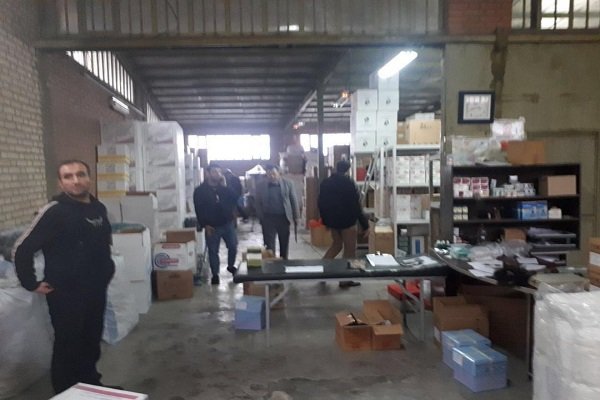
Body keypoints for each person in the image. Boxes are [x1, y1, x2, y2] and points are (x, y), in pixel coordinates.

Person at [13, 160, 117, 394]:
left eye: (80, 174)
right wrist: (30, 282)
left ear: (89, 178)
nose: (76, 180)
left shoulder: (98, 208)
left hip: (96, 289)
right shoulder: (55, 212)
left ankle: (90, 386)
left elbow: (102, 243)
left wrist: (107, 270)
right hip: (66, 293)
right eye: (68, 176)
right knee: (68, 345)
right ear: (60, 183)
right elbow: (22, 248)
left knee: (91, 341)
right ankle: (65, 392)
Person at [318, 159, 370, 288]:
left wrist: (326, 221)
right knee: (350, 250)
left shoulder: (326, 182)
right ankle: (345, 279)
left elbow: (320, 203)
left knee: (336, 245)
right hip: (348, 221)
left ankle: (321, 272)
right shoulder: (349, 183)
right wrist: (365, 225)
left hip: (333, 222)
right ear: (347, 170)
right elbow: (356, 206)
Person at [193, 162, 239, 284]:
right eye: (214, 172)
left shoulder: (224, 188)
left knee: (233, 246)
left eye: (219, 172)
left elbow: (235, 198)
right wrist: (205, 225)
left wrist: (226, 186)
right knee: (213, 251)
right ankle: (215, 274)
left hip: (227, 223)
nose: (217, 174)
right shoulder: (200, 191)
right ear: (207, 174)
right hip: (212, 226)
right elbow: (199, 210)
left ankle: (231, 266)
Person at [254, 164, 299, 259]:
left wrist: (296, 217)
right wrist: (261, 217)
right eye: (269, 174)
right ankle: (271, 264)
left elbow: (293, 200)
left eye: (274, 173)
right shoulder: (260, 186)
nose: (272, 176)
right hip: (268, 219)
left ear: (279, 173)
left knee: (284, 243)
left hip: (283, 218)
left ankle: (284, 262)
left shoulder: (288, 184)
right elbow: (257, 202)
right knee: (269, 245)